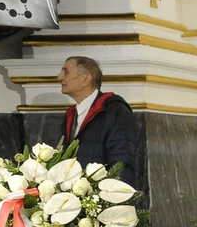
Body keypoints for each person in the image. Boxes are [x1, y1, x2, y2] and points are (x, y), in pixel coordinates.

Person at [58, 56, 137, 186]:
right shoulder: (71, 114)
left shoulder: (114, 109)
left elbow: (121, 161)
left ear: (86, 79)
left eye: (66, 71)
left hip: (103, 199)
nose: (59, 77)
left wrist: (114, 199)